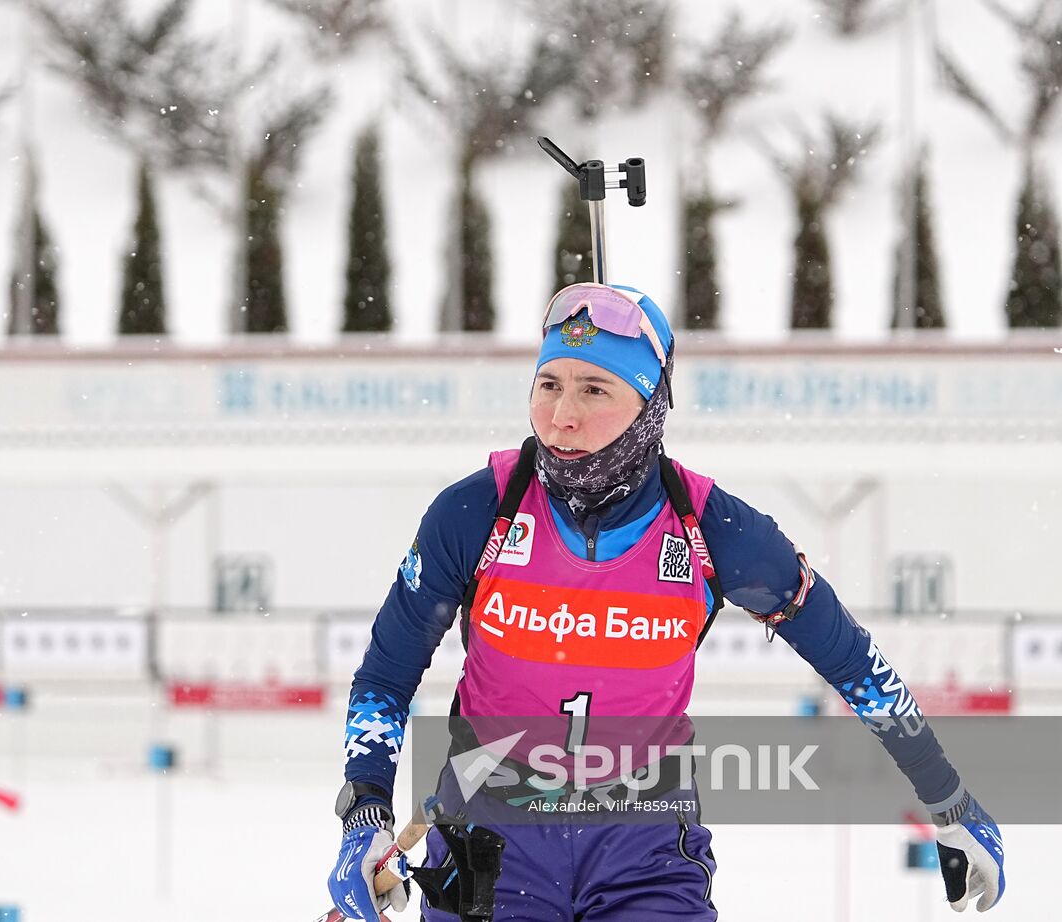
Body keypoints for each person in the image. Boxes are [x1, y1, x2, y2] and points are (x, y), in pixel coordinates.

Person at [326, 282, 1006, 921]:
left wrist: (946, 796)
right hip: (491, 847)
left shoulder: (712, 530)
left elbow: (853, 662)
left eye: (595, 389)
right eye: (549, 384)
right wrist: (366, 813)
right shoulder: (475, 514)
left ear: (649, 406)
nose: (563, 416)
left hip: (644, 850)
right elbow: (386, 676)